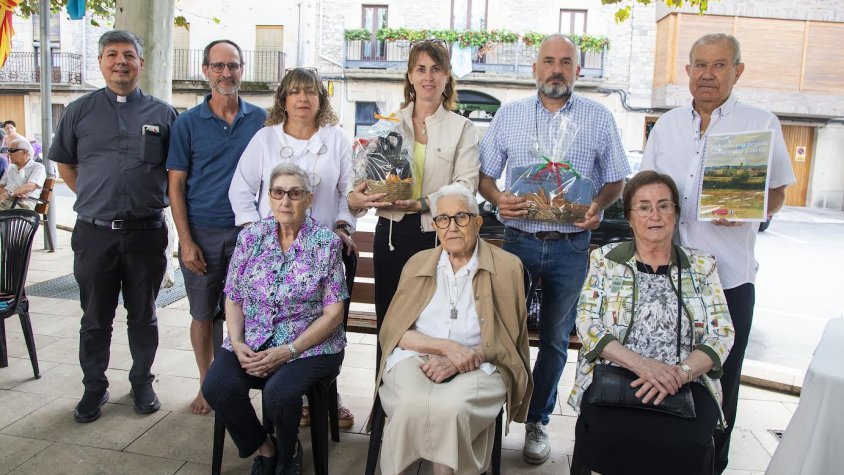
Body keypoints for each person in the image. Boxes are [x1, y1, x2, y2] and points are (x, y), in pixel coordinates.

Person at [641, 33, 795, 473]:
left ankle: (713, 464)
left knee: (722, 378)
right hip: (665, 274)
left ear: (737, 71)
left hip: (728, 279)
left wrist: (751, 211)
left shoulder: (760, 122)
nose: (708, 74)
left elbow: (779, 191)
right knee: (665, 365)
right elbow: (646, 187)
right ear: (687, 71)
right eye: (700, 65)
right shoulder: (667, 125)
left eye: (720, 65)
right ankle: (660, 455)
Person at [477, 34, 630, 464]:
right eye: (549, 61)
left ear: (578, 70)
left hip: (571, 245)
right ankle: (490, 414)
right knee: (503, 332)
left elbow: (617, 176)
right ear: (535, 69)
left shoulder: (599, 118)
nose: (557, 69)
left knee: (558, 341)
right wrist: (497, 196)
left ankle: (537, 421)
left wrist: (598, 205)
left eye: (566, 62)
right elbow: (484, 175)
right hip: (518, 241)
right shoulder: (509, 116)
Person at [568, 171, 735, 475]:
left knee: (690, 440)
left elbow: (721, 333)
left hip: (685, 382)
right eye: (644, 207)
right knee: (608, 431)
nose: (654, 215)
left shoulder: (702, 266)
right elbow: (587, 322)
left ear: (675, 214)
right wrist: (643, 366)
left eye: (663, 206)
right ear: (630, 217)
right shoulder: (606, 260)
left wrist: (680, 373)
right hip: (615, 375)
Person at [49, 30, 177, 423]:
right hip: (95, 234)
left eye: (128, 55)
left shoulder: (163, 114)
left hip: (146, 232)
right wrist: (94, 199)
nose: (120, 61)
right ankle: (94, 387)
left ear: (141, 62)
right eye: (111, 55)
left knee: (143, 314)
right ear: (101, 62)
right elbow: (66, 164)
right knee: (95, 317)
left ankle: (142, 381)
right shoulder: (78, 111)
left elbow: (176, 171)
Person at [228, 66, 357, 428]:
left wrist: (344, 226)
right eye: (296, 92)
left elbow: (349, 191)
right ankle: (286, 392)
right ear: (283, 98)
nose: (303, 99)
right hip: (274, 252)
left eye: (311, 92)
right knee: (277, 316)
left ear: (321, 99)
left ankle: (323, 391)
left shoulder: (337, 139)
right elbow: (240, 189)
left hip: (321, 252)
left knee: (325, 322)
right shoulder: (265, 139)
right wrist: (259, 235)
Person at [374, 184, 532, 475]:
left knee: (451, 408)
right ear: (435, 226)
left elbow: (508, 341)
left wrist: (461, 359)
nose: (452, 227)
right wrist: (446, 348)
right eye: (443, 220)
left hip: (481, 362)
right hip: (416, 357)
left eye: (461, 217)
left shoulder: (508, 267)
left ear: (478, 221)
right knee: (409, 403)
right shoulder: (418, 263)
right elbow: (394, 332)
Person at [203, 163, 347, 475]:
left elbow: (334, 314)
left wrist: (289, 350)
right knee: (217, 385)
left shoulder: (326, 243)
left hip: (311, 345)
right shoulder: (250, 238)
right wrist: (237, 342)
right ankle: (264, 447)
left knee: (279, 392)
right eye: (278, 192)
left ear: (308, 199)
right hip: (254, 338)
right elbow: (233, 296)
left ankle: (288, 447)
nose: (285, 201)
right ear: (269, 197)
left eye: (295, 193)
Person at [347, 39, 480, 346]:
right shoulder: (387, 124)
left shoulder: (463, 128)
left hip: (440, 238)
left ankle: (423, 394)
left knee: (432, 327)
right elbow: (367, 178)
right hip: (391, 237)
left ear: (447, 77)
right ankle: (382, 395)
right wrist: (358, 197)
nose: (428, 77)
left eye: (436, 69)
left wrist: (423, 203)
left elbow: (466, 185)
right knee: (390, 325)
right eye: (420, 69)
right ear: (409, 76)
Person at [167, 39, 267, 415]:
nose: (227, 73)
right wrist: (185, 240)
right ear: (206, 70)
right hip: (203, 233)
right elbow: (175, 185)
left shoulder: (262, 120)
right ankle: (207, 384)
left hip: (251, 235)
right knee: (203, 313)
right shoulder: (188, 124)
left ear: (242, 70)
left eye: (234, 65)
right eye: (219, 66)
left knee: (246, 312)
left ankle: (235, 384)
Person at [0, 137, 46, 210]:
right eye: (8, 150)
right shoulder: (10, 167)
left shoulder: (38, 167)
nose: (9, 154)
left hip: (23, 204)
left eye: (12, 150)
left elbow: (30, 186)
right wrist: (13, 193)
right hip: (7, 201)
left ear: (25, 152)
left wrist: (9, 193)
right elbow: (1, 186)